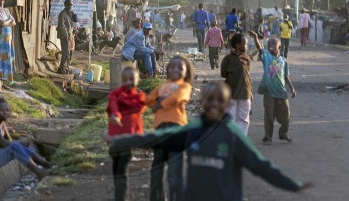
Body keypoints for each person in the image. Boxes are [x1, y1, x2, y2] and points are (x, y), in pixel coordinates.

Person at [109, 81, 311, 200]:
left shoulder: (233, 134)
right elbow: (157, 138)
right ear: (201, 102)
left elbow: (261, 165)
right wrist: (120, 141)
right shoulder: (193, 130)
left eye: (219, 100)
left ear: (227, 104)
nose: (214, 103)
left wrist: (293, 185)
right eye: (210, 99)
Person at [145, 55, 194, 201]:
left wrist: (160, 103)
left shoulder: (185, 87)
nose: (175, 69)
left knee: (174, 175)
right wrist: (154, 102)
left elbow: (178, 98)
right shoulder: (161, 88)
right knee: (156, 172)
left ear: (186, 72)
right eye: (172, 66)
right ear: (166, 70)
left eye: (180, 67)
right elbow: (148, 99)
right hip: (159, 131)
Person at [0, 98, 52, 179]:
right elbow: (4, 143)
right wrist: (17, 143)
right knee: (16, 145)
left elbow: (8, 141)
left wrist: (11, 144)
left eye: (7, 110)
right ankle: (39, 171)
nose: (5, 113)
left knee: (19, 145)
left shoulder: (1, 122)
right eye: (2, 110)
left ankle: (44, 163)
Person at [250, 31, 297, 145]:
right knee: (269, 118)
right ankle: (268, 137)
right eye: (269, 43)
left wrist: (292, 88)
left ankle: (283, 134)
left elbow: (285, 76)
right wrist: (256, 37)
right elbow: (260, 48)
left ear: (279, 46)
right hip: (269, 93)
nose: (270, 45)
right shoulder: (266, 57)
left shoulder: (284, 61)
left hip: (282, 93)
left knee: (285, 117)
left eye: (273, 43)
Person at [107, 67, 146, 201]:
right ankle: (120, 194)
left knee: (122, 170)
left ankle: (121, 197)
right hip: (114, 137)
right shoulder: (115, 94)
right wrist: (116, 113)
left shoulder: (139, 97)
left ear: (138, 80)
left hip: (128, 140)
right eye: (124, 80)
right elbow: (113, 105)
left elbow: (138, 106)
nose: (128, 82)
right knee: (115, 168)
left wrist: (119, 112)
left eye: (131, 79)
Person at [220, 34, 253, 135]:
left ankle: (241, 140)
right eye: (245, 44)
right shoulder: (227, 59)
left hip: (245, 92)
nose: (247, 46)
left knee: (244, 119)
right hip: (231, 92)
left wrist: (251, 94)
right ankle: (231, 139)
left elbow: (248, 76)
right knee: (230, 118)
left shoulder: (247, 59)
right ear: (238, 45)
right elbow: (223, 73)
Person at [57, 0, 73, 74]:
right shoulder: (62, 14)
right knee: (65, 52)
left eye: (71, 5)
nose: (70, 6)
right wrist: (66, 36)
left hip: (68, 36)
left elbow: (69, 25)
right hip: (64, 36)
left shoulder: (68, 13)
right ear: (65, 5)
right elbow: (62, 26)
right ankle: (62, 68)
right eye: (69, 5)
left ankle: (65, 67)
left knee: (67, 52)